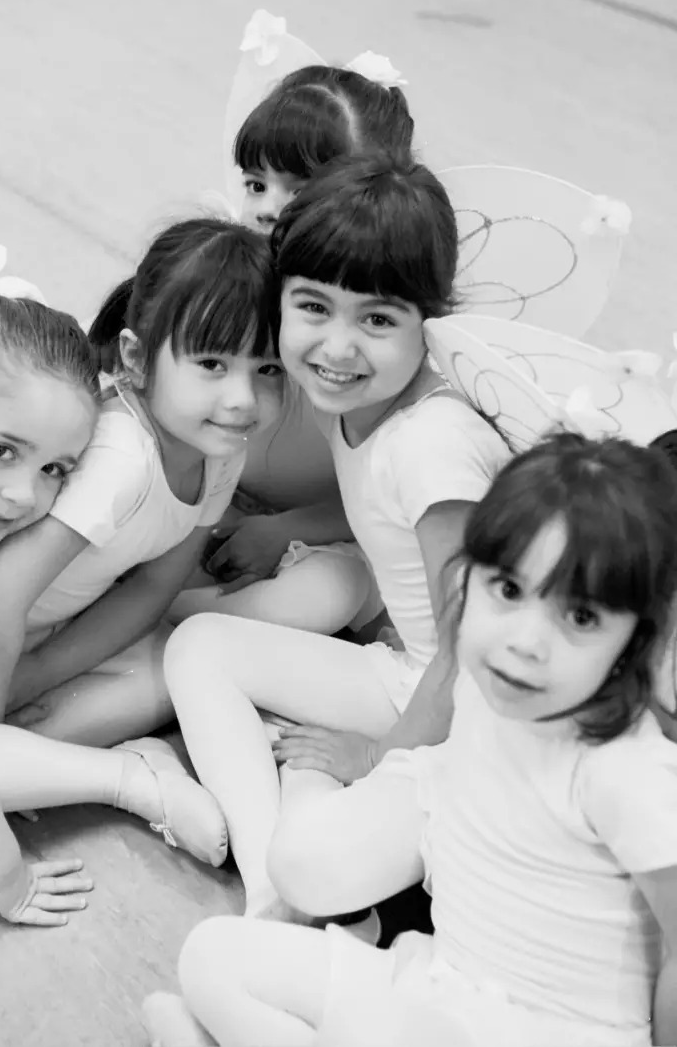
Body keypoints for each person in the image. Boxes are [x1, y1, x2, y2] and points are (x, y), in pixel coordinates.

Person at [144, 433, 677, 1047]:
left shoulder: (629, 771)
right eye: (508, 590)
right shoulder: (484, 689)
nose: (525, 641)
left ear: (634, 644)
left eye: (581, 618)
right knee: (211, 955)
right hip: (435, 991)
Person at [164, 157, 510, 920]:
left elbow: (474, 647)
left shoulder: (434, 446)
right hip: (404, 674)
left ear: (433, 320)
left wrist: (382, 757)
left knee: (319, 849)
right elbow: (367, 506)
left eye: (379, 320)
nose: (339, 347)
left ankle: (301, 898)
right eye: (314, 307)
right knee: (198, 649)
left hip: (474, 716)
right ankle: (266, 898)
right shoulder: (356, 397)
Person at [0, 253, 224, 930]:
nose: (24, 495)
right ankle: (124, 778)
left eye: (55, 470)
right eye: (3, 451)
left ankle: (118, 780)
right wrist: (7, 877)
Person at [0, 220, 283, 761]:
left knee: (175, 675)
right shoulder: (123, 457)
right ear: (135, 357)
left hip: (39, 633)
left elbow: (152, 589)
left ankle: (10, 759)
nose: (243, 398)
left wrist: (38, 674)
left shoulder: (223, 452)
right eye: (211, 365)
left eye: (268, 367)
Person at [170, 54, 417, 637]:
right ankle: (151, 615)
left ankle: (160, 621)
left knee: (327, 595)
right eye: (256, 183)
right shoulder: (222, 274)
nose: (267, 207)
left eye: (298, 188)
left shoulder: (373, 344)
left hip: (333, 536)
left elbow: (386, 496)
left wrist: (285, 531)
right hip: (215, 506)